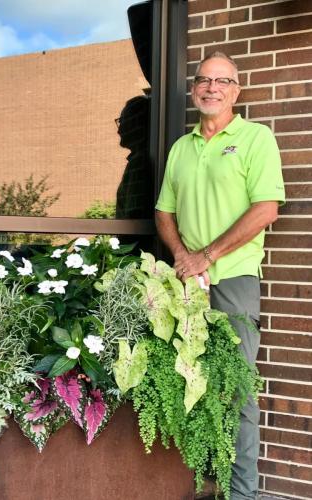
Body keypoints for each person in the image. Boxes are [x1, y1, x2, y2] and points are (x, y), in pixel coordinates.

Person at [155, 51, 285, 500]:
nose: (212, 88)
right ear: (194, 89)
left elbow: (266, 209)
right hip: (186, 285)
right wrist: (182, 257)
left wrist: (206, 256)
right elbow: (163, 212)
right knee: (187, 385)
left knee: (236, 390)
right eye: (204, 80)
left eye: (223, 81)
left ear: (237, 90)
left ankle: (242, 493)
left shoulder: (255, 138)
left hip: (234, 281)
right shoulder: (181, 147)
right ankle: (200, 487)